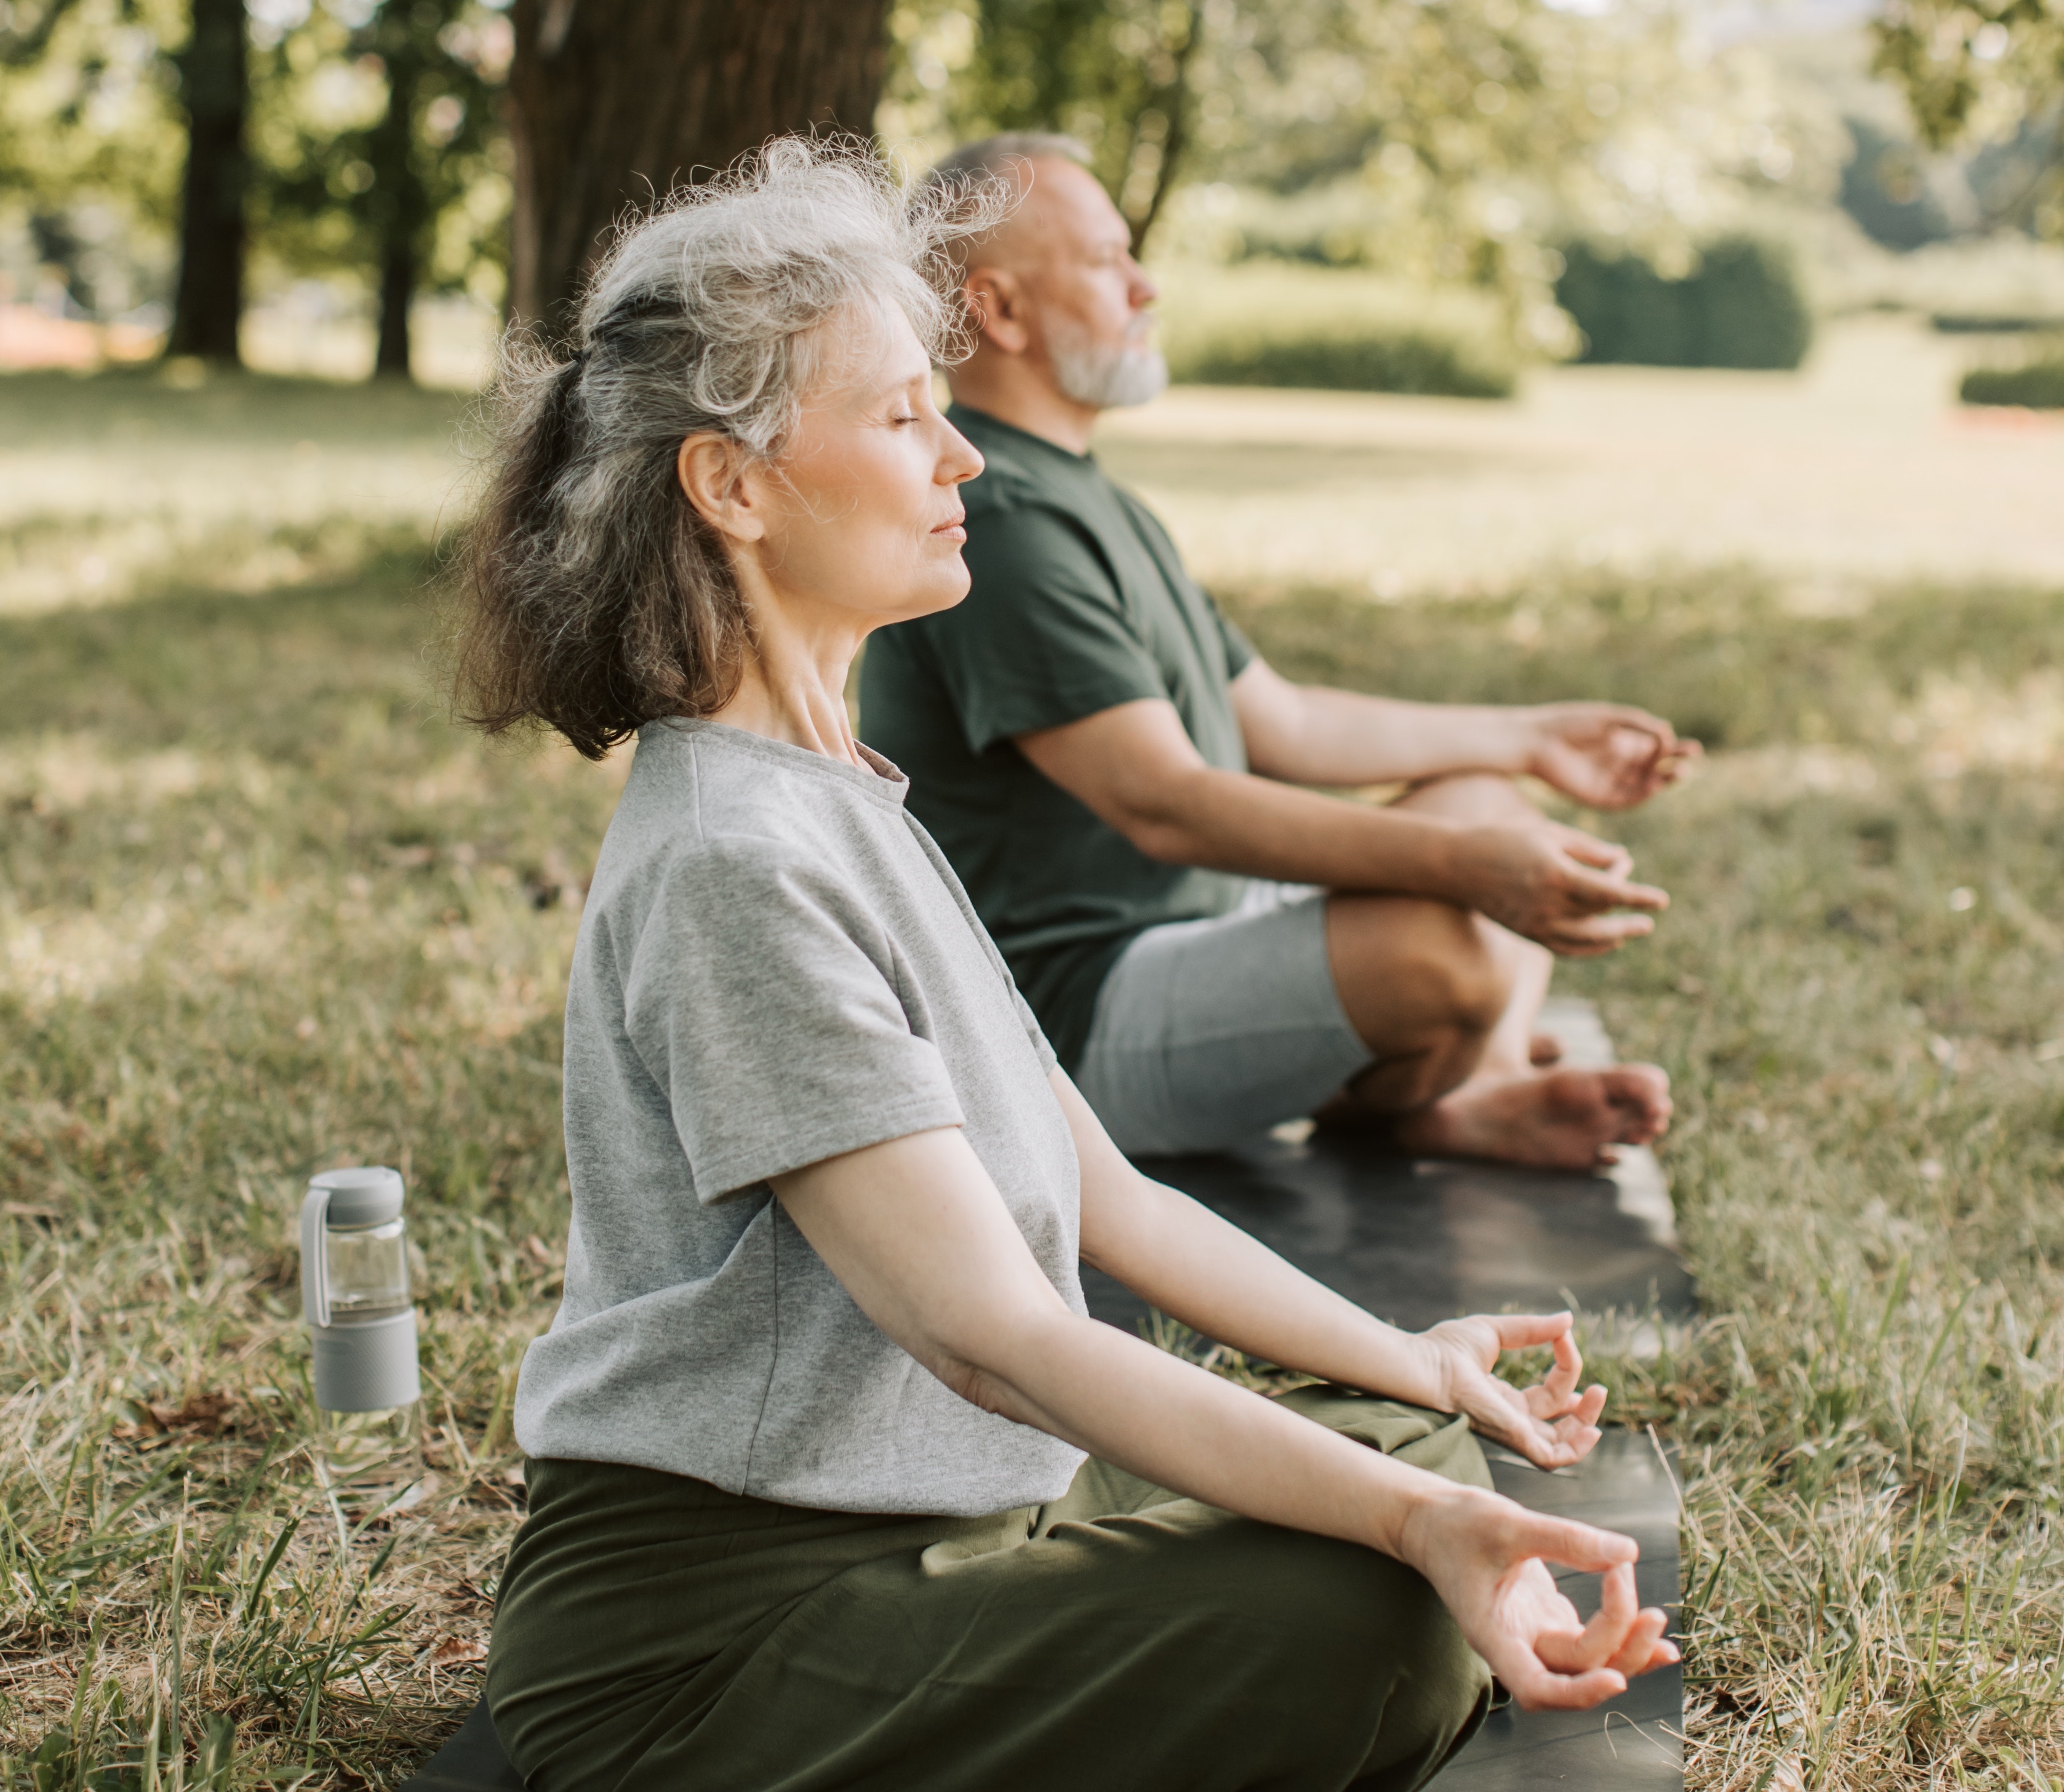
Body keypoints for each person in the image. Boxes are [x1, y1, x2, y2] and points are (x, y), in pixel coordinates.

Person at [451, 140, 1675, 1792]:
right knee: (1373, 1614)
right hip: (718, 1639)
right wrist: (1420, 1522)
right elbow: (995, 1333)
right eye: (898, 418)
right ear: (732, 488)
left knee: (1403, 1447)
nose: (960, 452)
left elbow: (1113, 1200)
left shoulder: (842, 797)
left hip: (963, 1503)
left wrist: (1412, 1363)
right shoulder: (735, 863)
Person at [858, 134, 1700, 1168]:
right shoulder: (1005, 521)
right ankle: (1444, 1087)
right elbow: (1164, 804)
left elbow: (1285, 723)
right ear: (1002, 311)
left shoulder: (1087, 497)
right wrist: (1464, 868)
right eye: (1107, 261)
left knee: (1490, 804)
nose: (1145, 285)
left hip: (1198, 930)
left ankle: (1460, 1096)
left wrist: (1530, 739)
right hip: (1067, 1022)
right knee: (1450, 944)